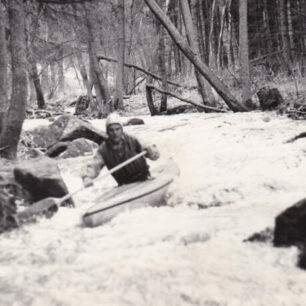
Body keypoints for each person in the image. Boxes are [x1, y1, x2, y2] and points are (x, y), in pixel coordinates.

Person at [82, 113, 159, 187]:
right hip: (124, 184)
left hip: (144, 179)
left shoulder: (133, 140)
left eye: (117, 129)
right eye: (111, 130)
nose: (115, 133)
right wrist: (87, 177)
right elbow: (93, 165)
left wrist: (151, 151)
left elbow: (155, 155)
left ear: (122, 130)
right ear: (107, 132)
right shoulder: (103, 150)